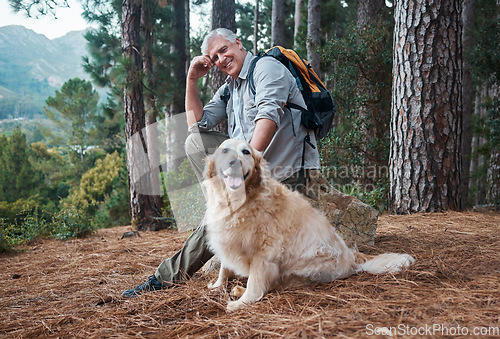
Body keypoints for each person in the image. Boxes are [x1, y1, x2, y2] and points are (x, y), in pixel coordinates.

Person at [121, 28, 321, 298]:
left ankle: (163, 278)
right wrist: (192, 79)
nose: (221, 59)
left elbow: (268, 118)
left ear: (238, 43)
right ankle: (220, 202)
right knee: (195, 142)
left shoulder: (266, 69)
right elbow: (197, 126)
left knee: (222, 212)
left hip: (284, 173)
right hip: (248, 172)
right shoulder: (231, 88)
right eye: (215, 57)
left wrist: (243, 168)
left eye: (224, 50)